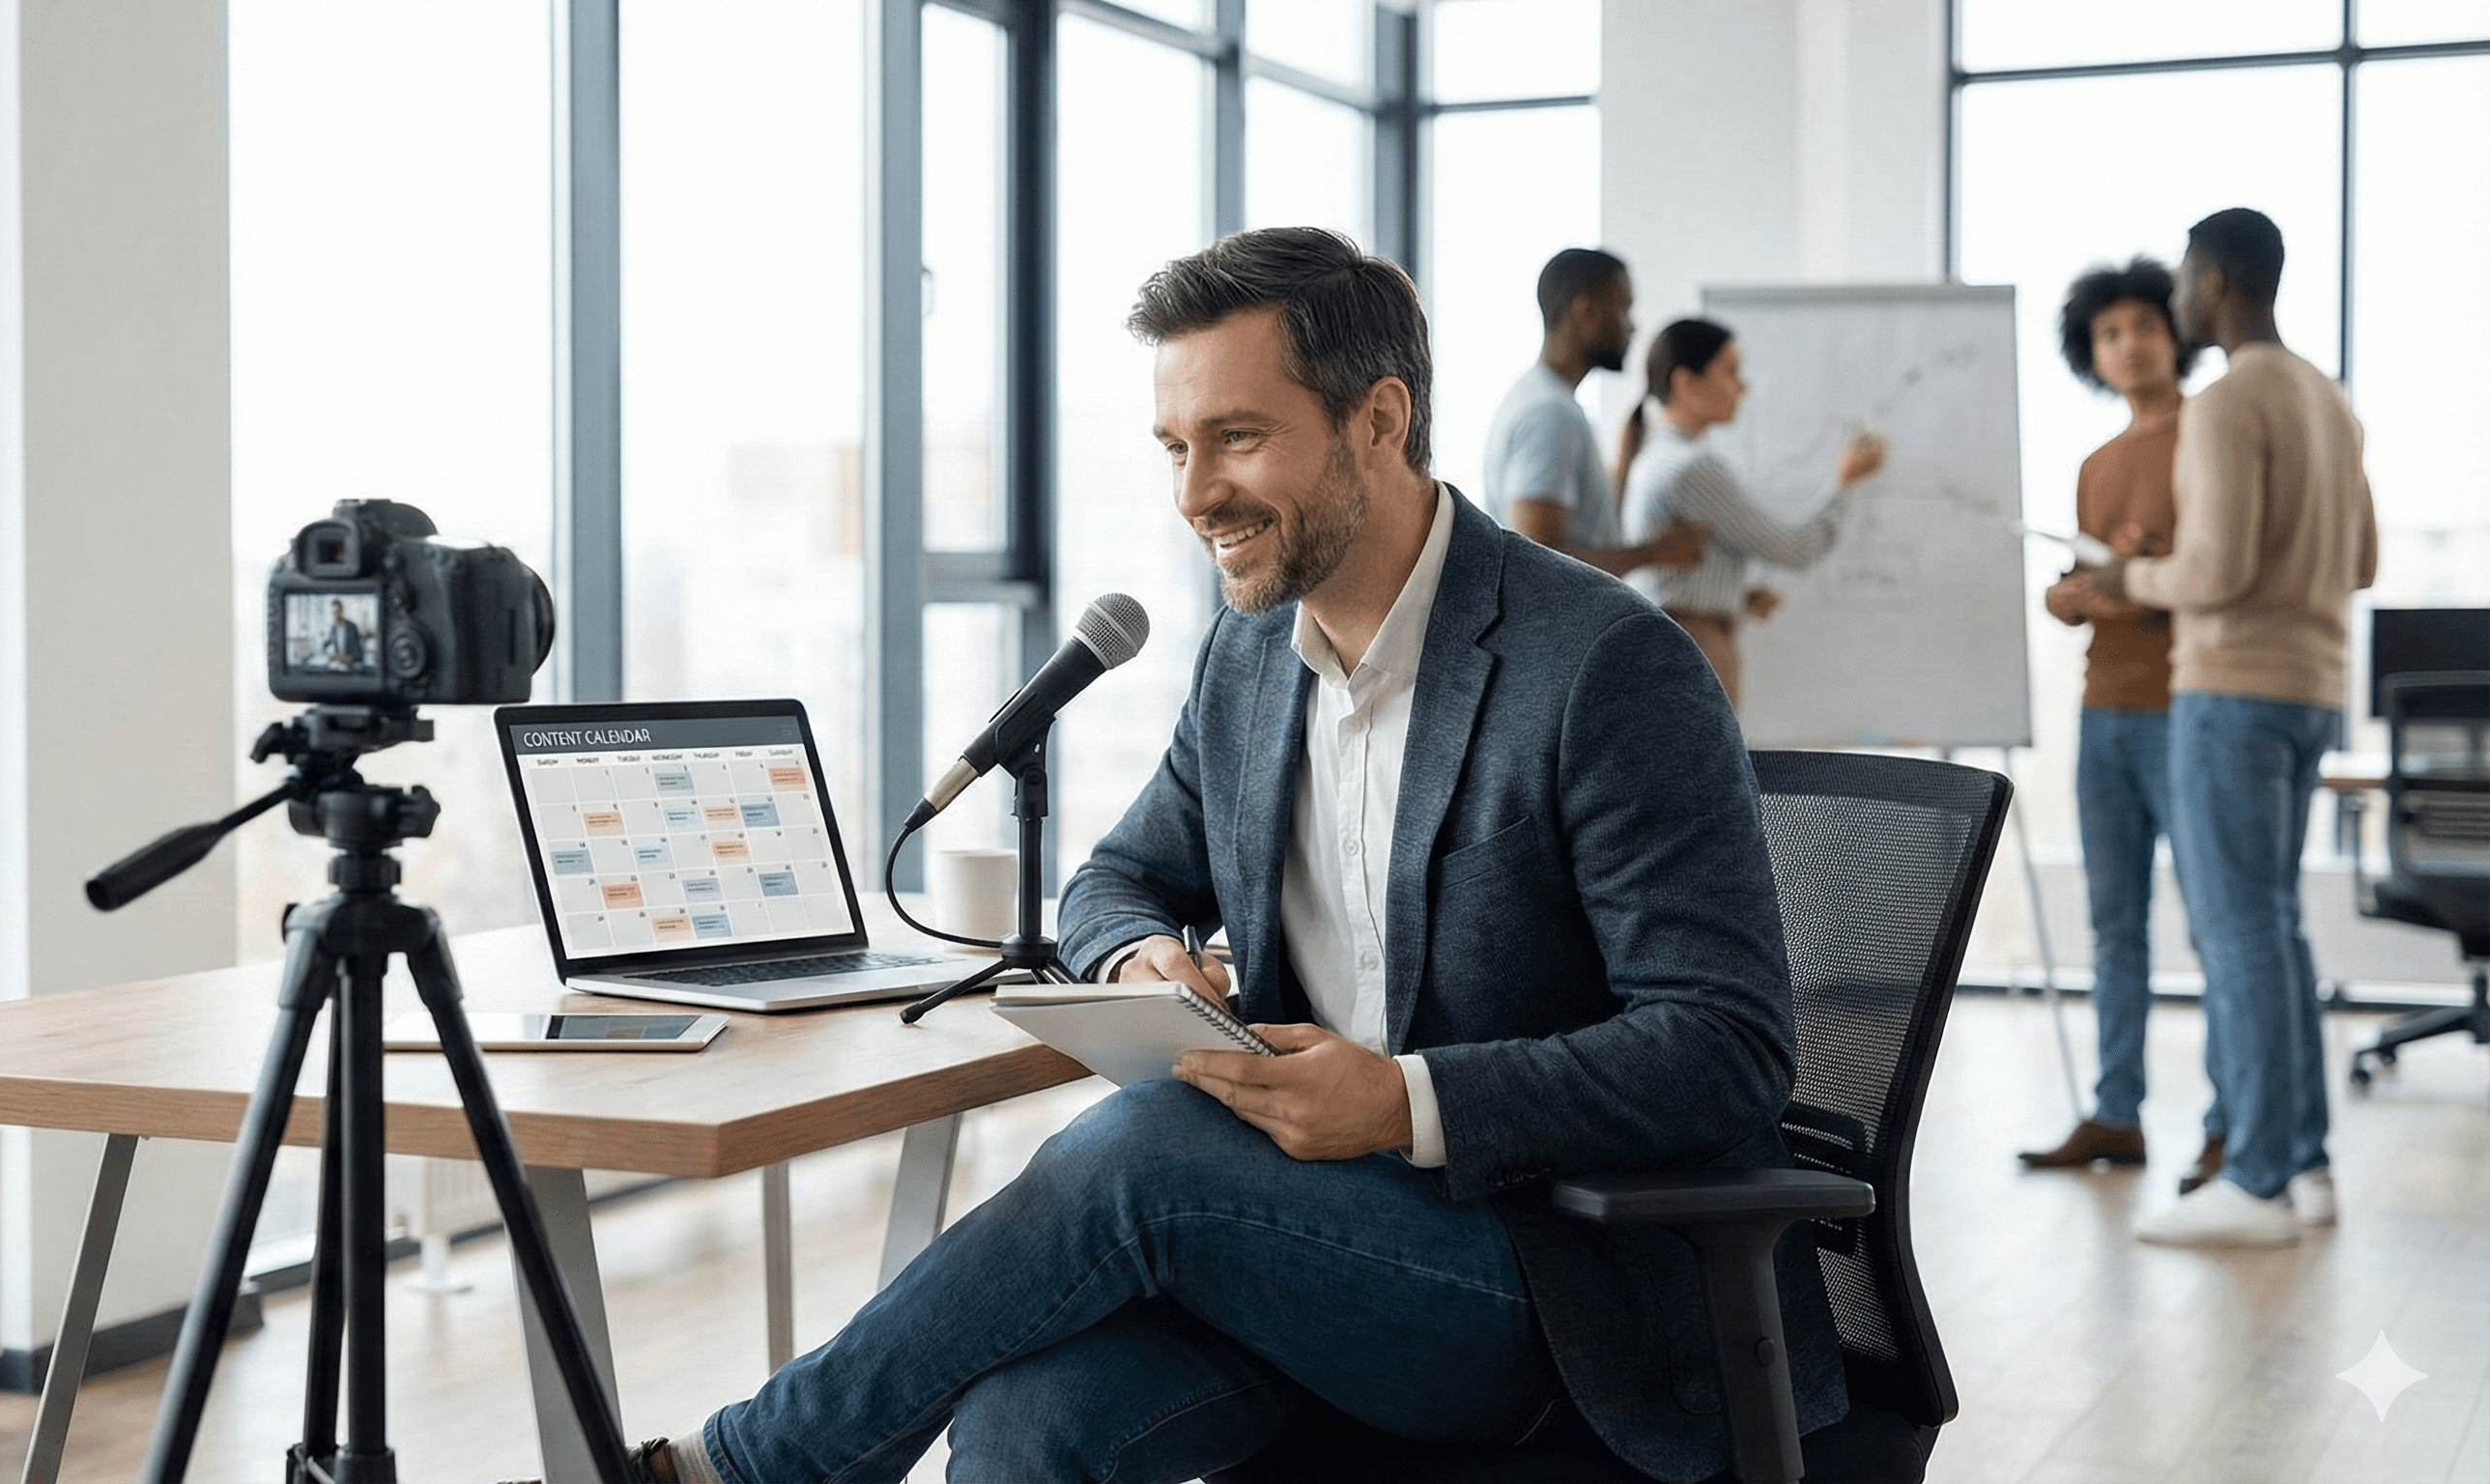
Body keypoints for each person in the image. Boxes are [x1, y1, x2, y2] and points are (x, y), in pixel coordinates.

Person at [524, 228, 1846, 1484]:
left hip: (1560, 1282)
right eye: (1173, 445)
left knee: (1146, 1153)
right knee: (1026, 1416)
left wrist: (1403, 1100)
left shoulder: (1603, 667)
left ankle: (745, 1466)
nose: (1195, 492)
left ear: (1379, 423)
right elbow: (1116, 877)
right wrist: (1138, 950)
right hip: (1299, 1233)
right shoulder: (1249, 658)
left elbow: (1724, 1049)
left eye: (1239, 436)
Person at [2077, 208, 2377, 1246]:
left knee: (2241, 930)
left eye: (2184, 284)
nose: (2175, 303)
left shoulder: (2223, 402)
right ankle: (2302, 1164)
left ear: (2216, 282)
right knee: (2273, 926)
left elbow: (2211, 574)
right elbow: (2363, 561)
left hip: (2227, 689)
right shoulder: (2326, 400)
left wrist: (2122, 575)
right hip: (2309, 687)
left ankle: (2251, 1177)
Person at [2017, 258, 2229, 1190]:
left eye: (2144, 324)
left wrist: (2116, 585)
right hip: (2104, 713)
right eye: (2109, 334)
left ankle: (2232, 1123)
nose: (2129, 344)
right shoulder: (2096, 466)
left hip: (2193, 706)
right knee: (2114, 923)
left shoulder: (2212, 435)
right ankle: (2116, 1114)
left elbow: (2206, 580)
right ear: (2090, 355)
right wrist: (2098, 590)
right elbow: (2078, 590)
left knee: (2218, 926)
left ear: (2175, 331)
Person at [1614, 319, 1885, 706]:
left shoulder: (1654, 457)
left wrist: (1733, 596)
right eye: (1731, 371)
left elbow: (1676, 577)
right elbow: (1796, 549)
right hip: (1698, 649)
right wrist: (1843, 484)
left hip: (1680, 646)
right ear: (1686, 382)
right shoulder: (1693, 468)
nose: (1743, 387)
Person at [1482, 247, 1708, 576]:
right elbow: (1534, 564)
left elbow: (1572, 537)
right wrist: (1655, 552)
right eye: (1624, 309)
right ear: (1585, 310)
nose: (1632, 327)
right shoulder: (1549, 414)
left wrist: (1623, 465)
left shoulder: (1547, 401)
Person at [318, 599, 366, 671]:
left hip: (350, 663)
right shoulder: (333, 628)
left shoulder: (352, 627)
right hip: (338, 663)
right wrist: (322, 644)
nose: (334, 615)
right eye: (332, 613)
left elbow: (359, 652)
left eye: (337, 612)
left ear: (341, 611)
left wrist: (349, 658)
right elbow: (328, 643)